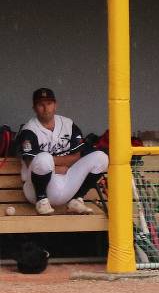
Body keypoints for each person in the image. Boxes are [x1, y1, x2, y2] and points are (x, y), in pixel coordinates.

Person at [18, 88, 108, 216]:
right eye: (40, 104)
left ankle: (76, 200)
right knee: (43, 158)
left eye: (49, 103)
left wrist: (53, 165)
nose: (45, 108)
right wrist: (56, 167)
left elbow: (76, 156)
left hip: (66, 182)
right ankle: (41, 200)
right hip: (35, 188)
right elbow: (31, 163)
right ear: (34, 108)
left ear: (55, 105)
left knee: (101, 157)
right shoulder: (29, 130)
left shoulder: (68, 124)